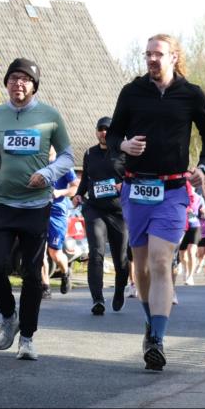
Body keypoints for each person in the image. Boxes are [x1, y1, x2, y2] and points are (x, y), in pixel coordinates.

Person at [107, 33, 205, 371]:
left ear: (173, 57)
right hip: (136, 188)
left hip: (172, 190)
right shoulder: (132, 91)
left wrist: (204, 166)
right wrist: (123, 146)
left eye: (158, 54)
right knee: (140, 268)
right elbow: (114, 134)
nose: (152, 59)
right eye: (148, 54)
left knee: (160, 261)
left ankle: (157, 339)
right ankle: (150, 320)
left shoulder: (190, 93)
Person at [0, 58, 73, 360]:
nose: (18, 83)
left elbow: (68, 157)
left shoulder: (50, 116)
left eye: (25, 79)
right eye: (13, 78)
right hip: (1, 203)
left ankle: (28, 337)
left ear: (34, 85)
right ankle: (9, 316)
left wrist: (47, 173)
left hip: (36, 205)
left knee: (32, 274)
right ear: (6, 83)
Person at [72, 116, 129, 314]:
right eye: (100, 129)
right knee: (96, 252)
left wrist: (124, 185)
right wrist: (79, 194)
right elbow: (86, 179)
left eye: (107, 129)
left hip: (119, 212)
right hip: (95, 209)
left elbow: (134, 177)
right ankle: (97, 299)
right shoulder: (90, 153)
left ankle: (120, 289)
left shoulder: (123, 152)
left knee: (121, 258)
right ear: (96, 132)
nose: (104, 132)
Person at [40, 146, 79, 298]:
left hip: (57, 212)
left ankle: (65, 272)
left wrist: (60, 192)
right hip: (39, 209)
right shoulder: (36, 161)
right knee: (39, 250)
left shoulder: (63, 163)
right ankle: (45, 286)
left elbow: (75, 186)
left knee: (54, 252)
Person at [179, 180, 205, 286]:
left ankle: (190, 276)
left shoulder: (199, 198)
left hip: (195, 226)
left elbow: (204, 212)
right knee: (182, 254)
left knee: (191, 251)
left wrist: (204, 213)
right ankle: (185, 269)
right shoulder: (181, 196)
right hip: (182, 227)